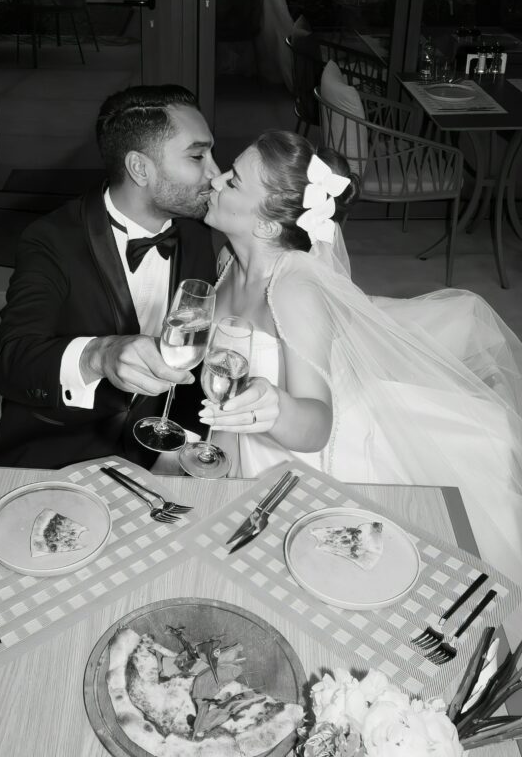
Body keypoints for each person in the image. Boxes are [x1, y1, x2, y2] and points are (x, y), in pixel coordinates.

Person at [200, 130, 522, 584]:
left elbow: (316, 424)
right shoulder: (230, 260)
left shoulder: (293, 290)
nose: (214, 181)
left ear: (267, 225)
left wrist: (274, 406)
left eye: (233, 181)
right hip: (239, 443)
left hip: (303, 462)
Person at [0, 85, 219, 470]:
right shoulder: (52, 240)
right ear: (140, 168)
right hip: (60, 445)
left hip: (164, 445)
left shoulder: (195, 234)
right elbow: (10, 363)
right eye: (198, 156)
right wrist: (99, 354)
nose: (215, 172)